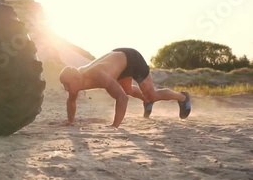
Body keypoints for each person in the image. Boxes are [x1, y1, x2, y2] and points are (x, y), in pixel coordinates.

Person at [58, 48, 191, 128]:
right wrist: (70, 122)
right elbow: (71, 101)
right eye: (64, 85)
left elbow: (122, 98)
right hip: (118, 62)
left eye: (67, 84)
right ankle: (146, 101)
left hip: (131, 58)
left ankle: (183, 97)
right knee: (128, 90)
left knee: (152, 95)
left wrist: (114, 126)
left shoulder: (97, 75)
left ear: (76, 78)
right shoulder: (76, 82)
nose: (65, 88)